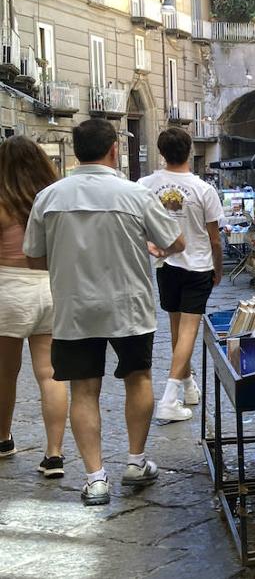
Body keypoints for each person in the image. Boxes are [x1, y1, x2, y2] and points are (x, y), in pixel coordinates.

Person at [24, 119, 185, 506]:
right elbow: (175, 242)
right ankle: (135, 461)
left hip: (74, 307)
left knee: (83, 389)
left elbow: (33, 259)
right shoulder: (134, 194)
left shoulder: (49, 197)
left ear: (76, 151)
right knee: (138, 377)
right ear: (114, 149)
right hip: (128, 304)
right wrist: (154, 249)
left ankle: (95, 478)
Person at [139, 127, 225, 422]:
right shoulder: (203, 189)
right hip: (198, 264)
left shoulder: (145, 185)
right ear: (190, 151)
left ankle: (188, 387)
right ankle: (169, 397)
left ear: (161, 153)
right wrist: (219, 267)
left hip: (166, 265)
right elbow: (215, 238)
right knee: (189, 331)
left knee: (177, 329)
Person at [0, 137, 68, 479]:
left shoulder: (1, 202)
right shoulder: (53, 199)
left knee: (5, 372)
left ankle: (2, 439)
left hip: (8, 289)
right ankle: (53, 455)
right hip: (49, 287)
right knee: (50, 373)